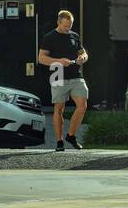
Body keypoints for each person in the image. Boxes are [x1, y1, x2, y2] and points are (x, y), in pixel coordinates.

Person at [37, 10, 89, 151]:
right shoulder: (49, 37)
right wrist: (58, 61)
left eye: (70, 25)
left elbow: (81, 52)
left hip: (75, 74)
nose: (68, 28)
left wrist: (83, 57)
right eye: (66, 25)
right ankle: (59, 142)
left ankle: (71, 136)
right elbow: (41, 58)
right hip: (57, 73)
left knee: (82, 106)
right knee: (59, 108)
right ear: (58, 22)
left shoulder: (74, 36)